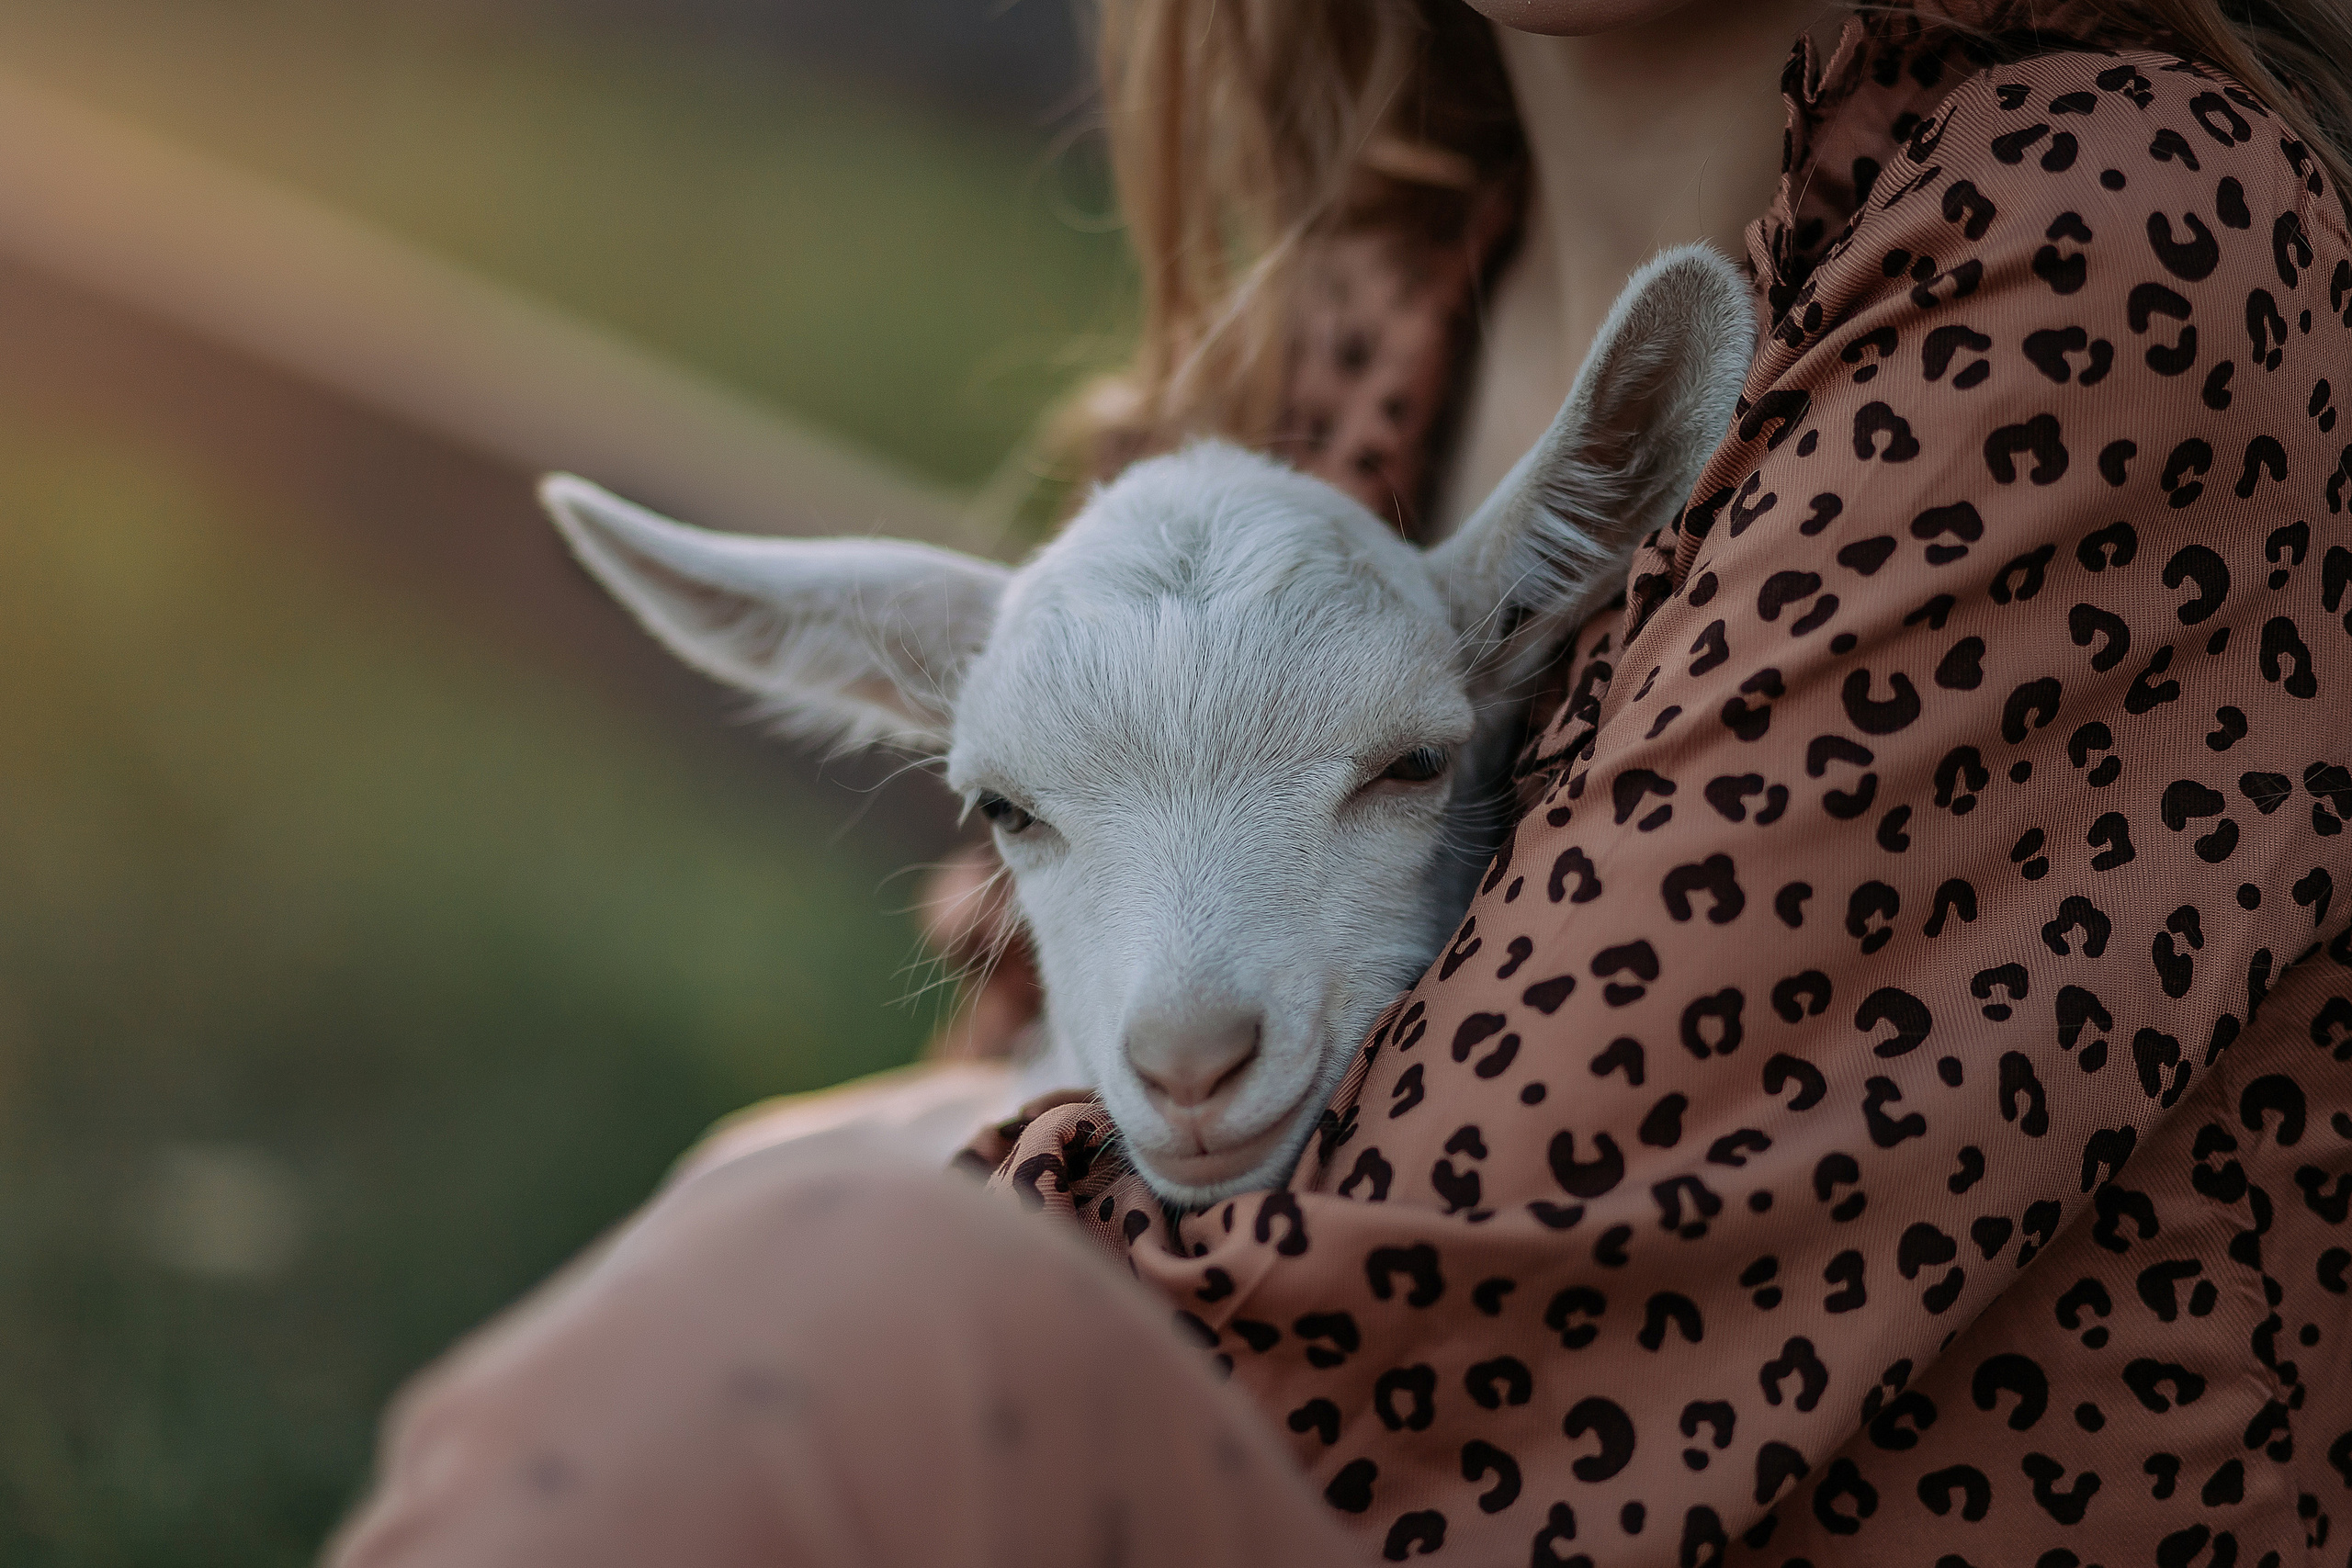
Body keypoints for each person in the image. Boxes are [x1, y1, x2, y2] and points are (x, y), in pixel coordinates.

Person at [328, 0, 2352, 1562]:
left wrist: (793, 1204)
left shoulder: (2104, 249)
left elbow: (1443, 1320)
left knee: (822, 1284)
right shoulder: (1389, 292)